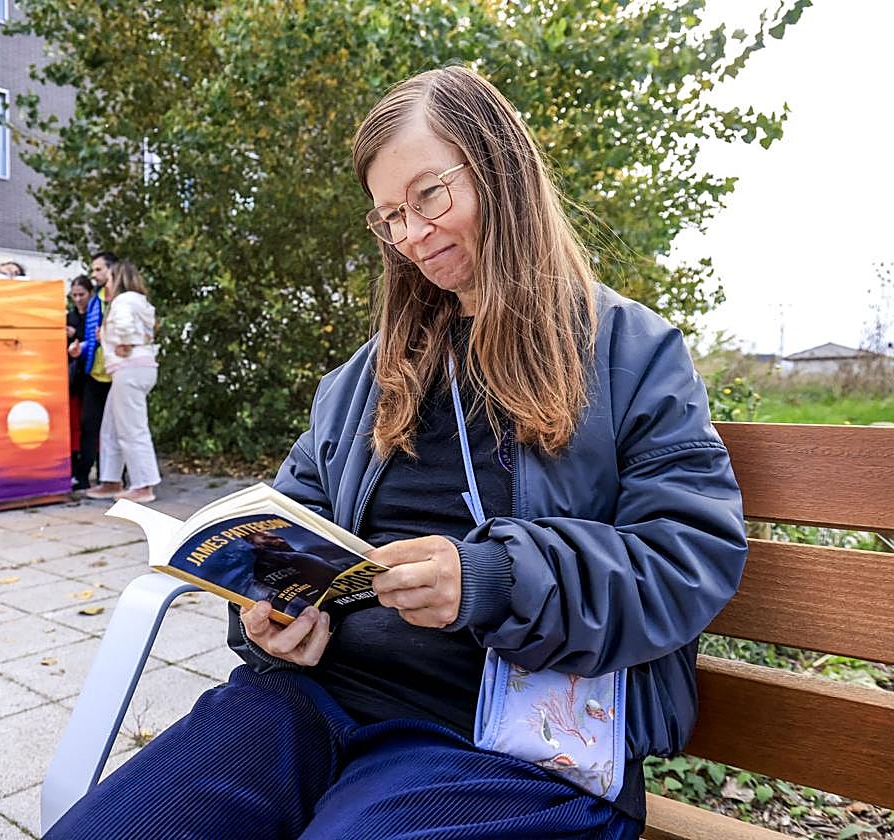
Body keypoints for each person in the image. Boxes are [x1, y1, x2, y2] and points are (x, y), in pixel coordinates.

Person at [47, 66, 747, 840]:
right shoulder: (366, 377)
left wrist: (493, 579)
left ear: (500, 169)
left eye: (428, 197)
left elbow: (688, 554)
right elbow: (291, 517)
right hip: (311, 699)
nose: (412, 235)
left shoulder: (628, 353)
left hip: (508, 734)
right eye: (389, 217)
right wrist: (265, 616)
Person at [85, 260, 161, 503]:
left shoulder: (123, 300)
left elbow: (127, 328)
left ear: (117, 278)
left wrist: (124, 342)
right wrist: (110, 336)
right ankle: (111, 479)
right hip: (138, 368)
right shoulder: (141, 301)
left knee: (131, 428)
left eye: (108, 277)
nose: (105, 281)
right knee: (112, 426)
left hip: (129, 369)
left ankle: (143, 485)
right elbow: (147, 331)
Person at [71, 251, 118, 489]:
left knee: (117, 428)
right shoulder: (95, 300)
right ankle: (84, 478)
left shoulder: (123, 297)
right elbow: (93, 337)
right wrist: (83, 348)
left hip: (118, 372)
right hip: (95, 372)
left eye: (98, 269)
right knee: (89, 425)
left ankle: (113, 477)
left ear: (111, 270)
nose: (94, 274)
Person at [66, 275, 96, 488]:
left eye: (81, 295)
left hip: (93, 374)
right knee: (76, 425)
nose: (78, 299)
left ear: (90, 294)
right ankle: (77, 470)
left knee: (91, 425)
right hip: (74, 379)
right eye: (74, 295)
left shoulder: (94, 316)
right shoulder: (69, 317)